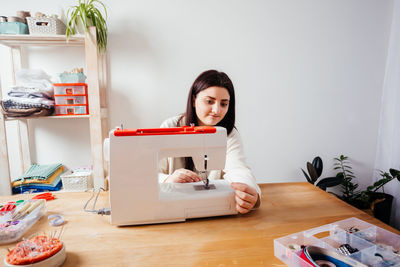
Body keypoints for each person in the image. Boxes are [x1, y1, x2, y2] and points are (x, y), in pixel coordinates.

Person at [158, 70, 261, 214]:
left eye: (224, 104)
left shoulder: (229, 134)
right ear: (194, 100)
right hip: (171, 209)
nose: (217, 110)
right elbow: (151, 173)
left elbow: (238, 169)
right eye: (209, 101)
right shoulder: (171, 126)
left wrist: (249, 192)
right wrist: (168, 179)